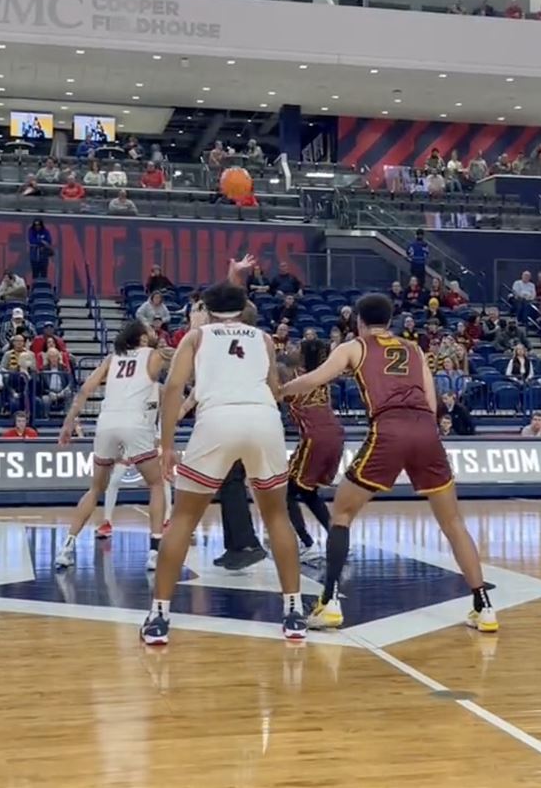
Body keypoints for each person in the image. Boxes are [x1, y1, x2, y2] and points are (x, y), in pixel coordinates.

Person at [279, 292, 497, 633]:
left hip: (389, 430)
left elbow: (314, 380)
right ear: (392, 319)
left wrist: (279, 391)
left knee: (342, 514)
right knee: (453, 523)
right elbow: (430, 401)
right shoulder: (414, 349)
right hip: (425, 431)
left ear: (359, 322)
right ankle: (484, 607)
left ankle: (330, 602)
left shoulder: (354, 346)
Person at [142, 271, 307, 645]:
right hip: (263, 419)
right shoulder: (264, 338)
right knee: (277, 515)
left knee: (183, 518)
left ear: (206, 310)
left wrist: (166, 444)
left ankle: (158, 617)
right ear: (243, 309)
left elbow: (172, 389)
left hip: (217, 420)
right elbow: (275, 390)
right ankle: (294, 612)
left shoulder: (196, 336)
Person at [55, 321, 168, 571]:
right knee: (157, 484)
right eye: (149, 330)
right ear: (141, 338)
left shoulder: (112, 357)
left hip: (106, 423)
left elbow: (85, 389)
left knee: (95, 489)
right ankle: (154, 551)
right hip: (135, 423)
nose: (154, 332)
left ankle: (67, 546)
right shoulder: (155, 354)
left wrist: (69, 421)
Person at [280, 340, 343, 558]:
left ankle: (305, 543)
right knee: (308, 492)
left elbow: (278, 394)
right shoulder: (324, 376)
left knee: (284, 492)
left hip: (315, 437)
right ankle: (338, 540)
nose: (294, 350)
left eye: (298, 349)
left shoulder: (297, 378)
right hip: (335, 435)